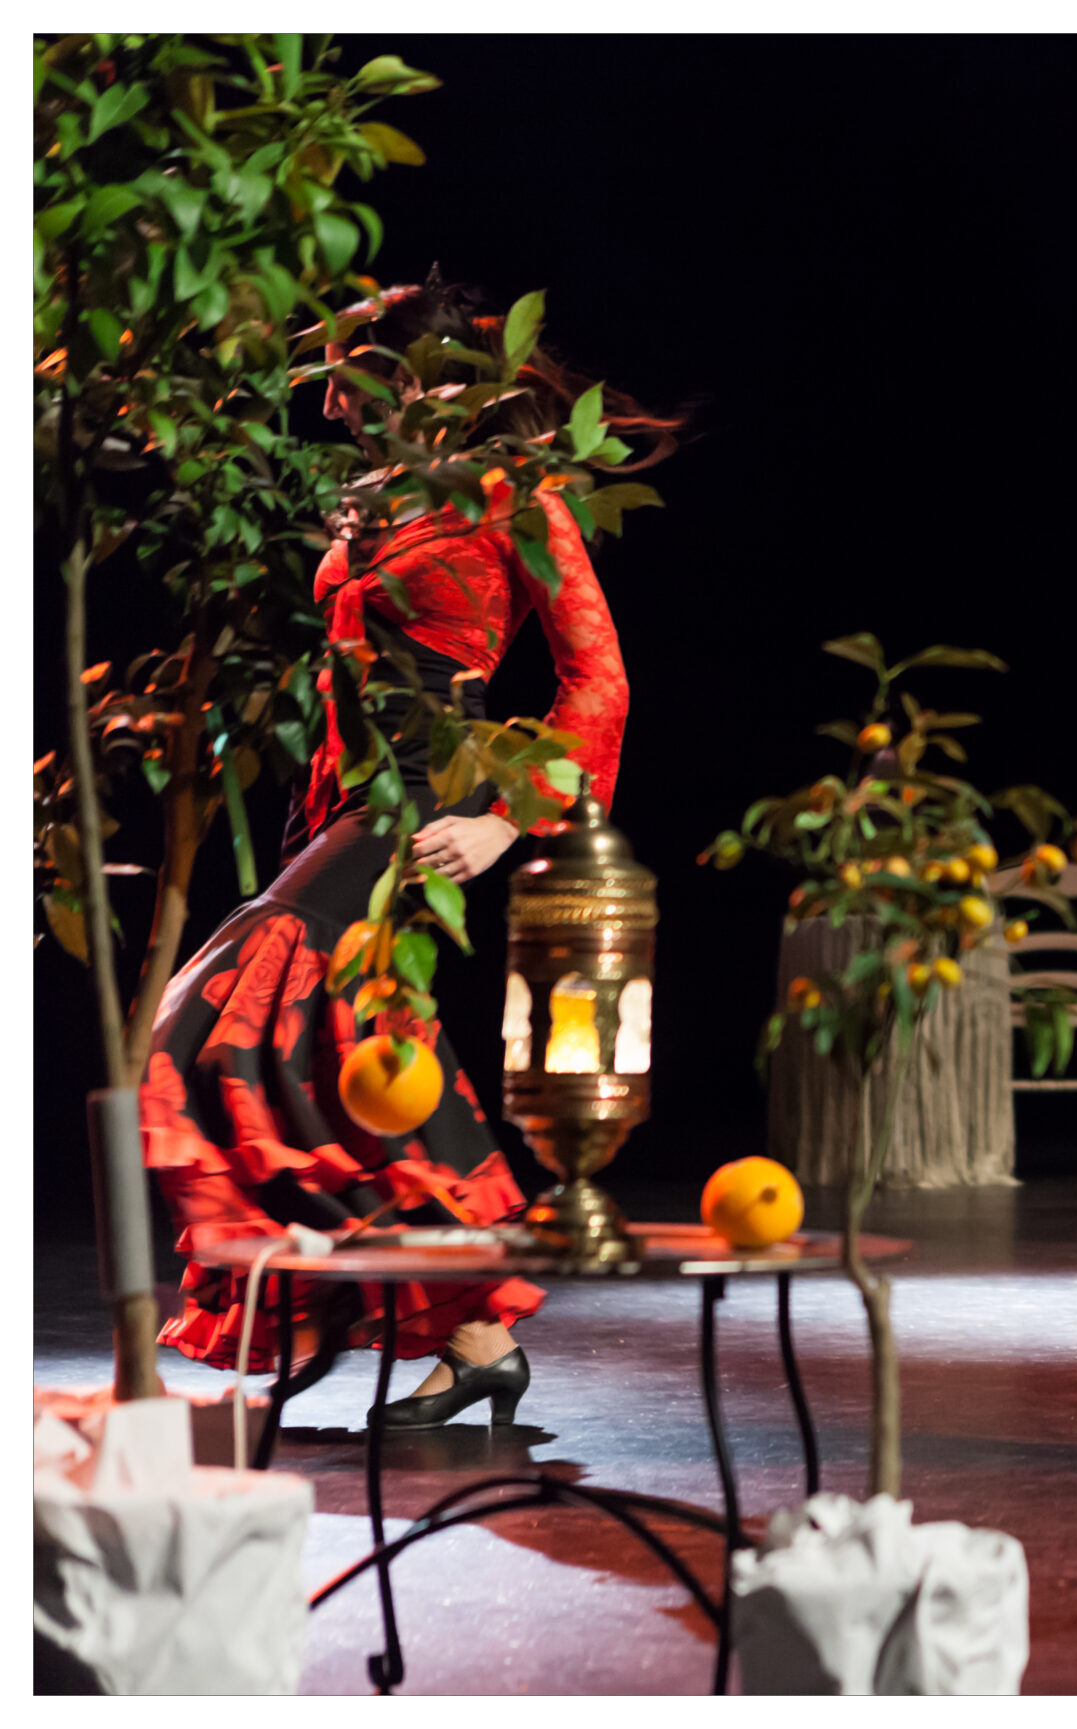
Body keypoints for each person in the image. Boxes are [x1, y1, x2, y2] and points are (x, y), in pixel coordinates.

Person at [137, 274, 673, 1427]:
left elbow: (601, 677)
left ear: (424, 384)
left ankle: (360, 1298)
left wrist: (504, 818)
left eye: (349, 385)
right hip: (334, 798)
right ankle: (469, 1333)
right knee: (368, 1058)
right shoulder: (370, 499)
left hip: (424, 799)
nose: (333, 410)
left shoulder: (510, 494)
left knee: (215, 1010)